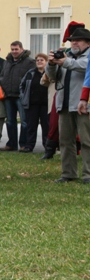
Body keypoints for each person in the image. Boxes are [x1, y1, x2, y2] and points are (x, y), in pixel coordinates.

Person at [46, 27, 90, 183]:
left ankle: (88, 174)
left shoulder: (86, 57)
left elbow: (83, 66)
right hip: (64, 103)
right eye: (72, 41)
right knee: (65, 141)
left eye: (78, 40)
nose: (74, 43)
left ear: (88, 43)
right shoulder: (67, 56)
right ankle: (68, 173)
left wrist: (64, 61)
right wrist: (52, 64)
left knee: (86, 141)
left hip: (84, 104)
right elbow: (52, 77)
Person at [0, 41, 35, 151]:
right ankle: (11, 144)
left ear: (22, 49)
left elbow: (31, 78)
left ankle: (24, 144)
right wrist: (2, 85)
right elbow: (2, 75)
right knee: (10, 121)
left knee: (24, 121)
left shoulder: (29, 62)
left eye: (16, 49)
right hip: (8, 95)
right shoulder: (7, 62)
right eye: (12, 49)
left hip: (21, 96)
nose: (14, 51)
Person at [19, 53, 49, 153]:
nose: (39, 62)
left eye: (42, 60)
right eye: (37, 60)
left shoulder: (50, 73)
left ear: (46, 62)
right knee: (31, 126)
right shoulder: (30, 73)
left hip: (46, 104)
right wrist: (23, 97)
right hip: (32, 104)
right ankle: (29, 146)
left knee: (46, 126)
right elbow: (22, 86)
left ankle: (47, 146)